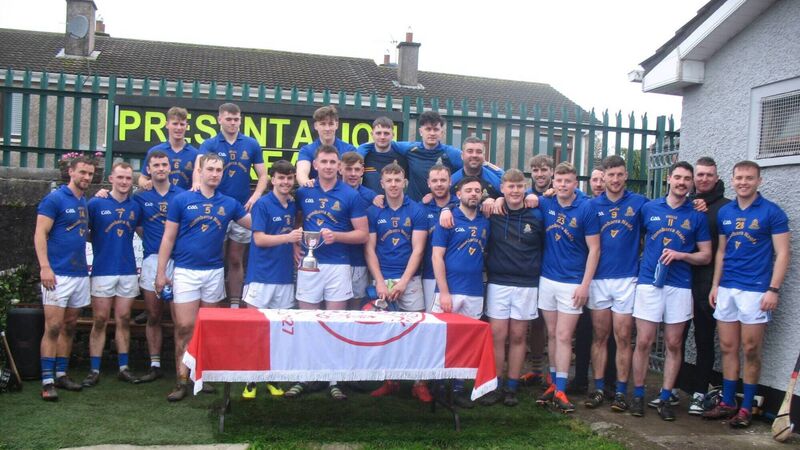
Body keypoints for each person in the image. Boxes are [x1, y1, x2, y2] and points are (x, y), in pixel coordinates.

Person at [155, 153, 251, 401]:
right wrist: (160, 272)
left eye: (219, 170)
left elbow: (255, 224)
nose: (215, 174)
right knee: (184, 327)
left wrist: (281, 211)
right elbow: (168, 238)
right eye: (210, 169)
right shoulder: (182, 200)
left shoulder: (229, 203)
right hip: (186, 271)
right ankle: (181, 380)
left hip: (214, 272)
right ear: (200, 171)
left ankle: (200, 376)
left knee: (206, 328)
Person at [703, 161, 790, 428]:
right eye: (739, 178)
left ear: (758, 181)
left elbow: (783, 253)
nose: (743, 182)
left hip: (756, 290)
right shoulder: (725, 212)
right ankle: (728, 402)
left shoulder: (772, 212)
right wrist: (715, 285)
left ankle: (747, 406)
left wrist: (773, 289)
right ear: (732, 180)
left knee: (751, 349)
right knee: (728, 347)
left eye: (749, 178)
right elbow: (721, 251)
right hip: (727, 288)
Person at [284, 145, 368, 401]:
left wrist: (337, 236)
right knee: (307, 323)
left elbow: (362, 234)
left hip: (338, 265)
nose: (329, 166)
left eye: (333, 162)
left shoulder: (350, 195)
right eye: (324, 162)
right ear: (316, 165)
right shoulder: (304, 192)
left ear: (339, 166)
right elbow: (295, 222)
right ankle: (305, 376)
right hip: (310, 265)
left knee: (334, 323)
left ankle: (333, 379)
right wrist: (294, 244)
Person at [630, 161, 712, 421]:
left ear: (691, 183)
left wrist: (681, 255)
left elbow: (706, 255)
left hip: (679, 285)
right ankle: (638, 395)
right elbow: (634, 237)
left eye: (687, 179)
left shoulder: (697, 214)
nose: (682, 182)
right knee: (644, 341)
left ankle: (666, 397)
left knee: (674, 344)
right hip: (649, 282)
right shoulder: (649, 208)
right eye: (678, 177)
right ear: (669, 179)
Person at [535, 162, 600, 414]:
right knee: (552, 335)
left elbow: (594, 249)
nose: (563, 185)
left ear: (575, 183)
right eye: (559, 181)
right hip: (547, 279)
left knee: (564, 336)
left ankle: (561, 389)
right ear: (553, 182)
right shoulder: (545, 202)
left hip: (573, 282)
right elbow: (522, 197)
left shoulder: (585, 207)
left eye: (568, 181)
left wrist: (585, 285)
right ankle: (553, 384)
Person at [364, 162, 430, 402]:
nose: (393, 185)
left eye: (397, 180)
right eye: (389, 181)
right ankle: (390, 380)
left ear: (405, 182)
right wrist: (380, 282)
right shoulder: (374, 211)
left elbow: (418, 250)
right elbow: (369, 249)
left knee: (416, 332)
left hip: (410, 281)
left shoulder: (417, 210)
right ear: (382, 184)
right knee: (386, 333)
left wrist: (403, 282)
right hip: (382, 279)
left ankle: (419, 382)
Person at [586, 155, 647, 412]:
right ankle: (599, 388)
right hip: (599, 279)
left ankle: (621, 391)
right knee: (600, 336)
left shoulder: (640, 203)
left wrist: (696, 202)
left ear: (626, 176)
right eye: (610, 175)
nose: (615, 179)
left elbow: (667, 210)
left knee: (623, 337)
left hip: (626, 278)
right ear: (603, 177)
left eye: (620, 174)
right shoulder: (591, 205)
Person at [479, 169, 544, 407]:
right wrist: (489, 200)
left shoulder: (536, 215)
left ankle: (512, 387)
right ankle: (495, 384)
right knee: (498, 336)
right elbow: (464, 202)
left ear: (525, 188)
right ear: (502, 189)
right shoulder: (492, 212)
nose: (515, 191)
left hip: (526, 283)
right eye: (510, 187)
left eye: (519, 186)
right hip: (498, 282)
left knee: (518, 336)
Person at [240, 160, 303, 400]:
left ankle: (271, 378)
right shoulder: (262, 204)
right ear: (272, 180)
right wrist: (289, 238)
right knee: (254, 331)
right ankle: (250, 380)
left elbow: (294, 230)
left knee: (277, 333)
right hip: (260, 277)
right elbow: (259, 239)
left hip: (284, 278)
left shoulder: (292, 204)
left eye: (289, 178)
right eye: (281, 178)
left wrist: (293, 242)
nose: (285, 182)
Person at [34, 156, 94, 401]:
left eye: (90, 174)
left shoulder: (84, 201)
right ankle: (47, 381)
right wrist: (45, 267)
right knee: (53, 327)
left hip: (79, 273)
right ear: (71, 171)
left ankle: (61, 374)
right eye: (82, 172)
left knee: (69, 326)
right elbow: (40, 233)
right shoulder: (55, 199)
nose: (86, 177)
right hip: (57, 273)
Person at [673, 157, 730, 414]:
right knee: (677, 337)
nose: (704, 179)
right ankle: (672, 388)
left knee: (704, 339)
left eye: (709, 175)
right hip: (683, 280)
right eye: (700, 175)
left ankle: (699, 392)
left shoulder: (725, 208)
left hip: (709, 284)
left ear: (716, 178)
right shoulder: (688, 204)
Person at [197, 102, 267, 307]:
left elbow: (263, 175)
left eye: (236, 119)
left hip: (241, 210)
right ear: (220, 119)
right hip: (215, 210)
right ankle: (216, 302)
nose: (233, 123)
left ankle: (235, 303)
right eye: (228, 119)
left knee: (236, 259)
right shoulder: (210, 144)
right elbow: (199, 170)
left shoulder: (251, 144)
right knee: (215, 256)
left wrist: (255, 196)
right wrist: (196, 187)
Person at [431, 176, 490, 408]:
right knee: (442, 338)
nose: (473, 194)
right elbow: (437, 257)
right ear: (458, 194)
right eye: (469, 190)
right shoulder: (447, 219)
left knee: (467, 341)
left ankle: (457, 388)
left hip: (474, 290)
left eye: (477, 190)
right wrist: (444, 292)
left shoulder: (486, 220)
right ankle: (438, 385)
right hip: (450, 290)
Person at [82, 162, 141, 387]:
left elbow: (145, 232)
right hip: (102, 269)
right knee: (100, 319)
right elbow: (83, 231)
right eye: (120, 177)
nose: (124, 182)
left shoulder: (135, 206)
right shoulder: (96, 203)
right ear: (111, 178)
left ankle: (124, 368)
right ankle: (94, 369)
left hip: (127, 270)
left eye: (128, 178)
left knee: (124, 319)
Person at [132, 151, 184, 383]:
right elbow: (136, 224)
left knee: (180, 319)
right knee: (153, 314)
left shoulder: (182, 195)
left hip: (179, 261)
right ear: (149, 169)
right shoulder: (140, 197)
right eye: (156, 165)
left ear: (170, 168)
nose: (161, 168)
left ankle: (183, 367)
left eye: (164, 164)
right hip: (152, 259)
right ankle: (155, 365)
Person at [518, 154, 555, 386]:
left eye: (544, 169)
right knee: (536, 322)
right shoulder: (524, 195)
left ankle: (554, 371)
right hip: (530, 266)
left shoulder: (561, 194)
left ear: (552, 172)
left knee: (554, 324)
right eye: (535, 170)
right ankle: (536, 369)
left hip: (556, 267)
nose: (540, 174)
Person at [391, 111, 463, 202]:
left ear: (441, 133)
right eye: (428, 129)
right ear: (421, 131)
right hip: (414, 206)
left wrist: (448, 182)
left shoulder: (450, 153)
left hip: (441, 207)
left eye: (436, 129)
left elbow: (474, 168)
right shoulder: (410, 149)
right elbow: (383, 143)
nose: (432, 133)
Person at [339, 152, 377, 310]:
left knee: (355, 307)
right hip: (334, 260)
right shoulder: (330, 191)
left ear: (362, 171)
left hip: (358, 260)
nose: (353, 174)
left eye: (356, 169)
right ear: (340, 169)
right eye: (349, 169)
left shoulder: (371, 196)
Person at [421, 164, 458, 310]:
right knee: (432, 320)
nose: (439, 184)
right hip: (430, 275)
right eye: (434, 181)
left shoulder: (461, 205)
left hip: (458, 278)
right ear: (428, 183)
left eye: (443, 180)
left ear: (450, 182)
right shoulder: (421, 208)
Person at [138, 106, 199, 191]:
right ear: (167, 125)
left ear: (187, 126)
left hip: (185, 198)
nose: (179, 128)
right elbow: (142, 178)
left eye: (182, 124)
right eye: (175, 124)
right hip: (160, 198)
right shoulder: (155, 151)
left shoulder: (195, 154)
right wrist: (146, 184)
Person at [296, 105, 357, 186]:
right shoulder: (306, 150)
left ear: (336, 125)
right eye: (323, 124)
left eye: (331, 124)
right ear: (316, 126)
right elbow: (301, 174)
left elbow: (354, 176)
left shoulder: (349, 150)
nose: (327, 128)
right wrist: (308, 185)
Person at [449, 136, 503, 214]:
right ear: (462, 156)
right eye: (470, 151)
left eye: (479, 152)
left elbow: (512, 198)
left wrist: (501, 199)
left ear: (483, 156)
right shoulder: (452, 181)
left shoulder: (495, 181)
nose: (474, 155)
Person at [357, 116, 408, 195]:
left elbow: (411, 183)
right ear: (372, 134)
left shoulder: (402, 157)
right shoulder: (364, 155)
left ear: (393, 135)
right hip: (368, 202)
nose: (382, 137)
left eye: (386, 133)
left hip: (394, 202)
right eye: (378, 133)